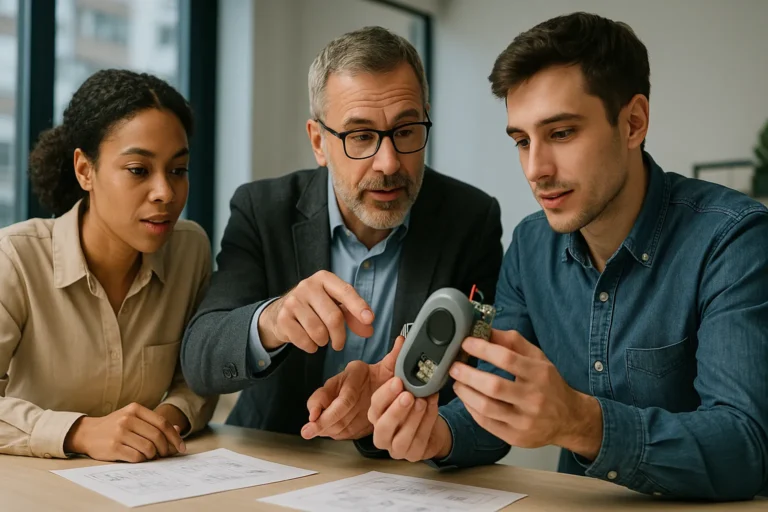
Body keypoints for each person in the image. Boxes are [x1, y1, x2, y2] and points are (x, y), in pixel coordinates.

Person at [363, 12, 768, 501]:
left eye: (561, 133)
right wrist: (437, 434)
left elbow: (745, 448)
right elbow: (496, 405)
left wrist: (579, 421)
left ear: (633, 122)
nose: (536, 169)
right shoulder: (531, 246)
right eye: (521, 141)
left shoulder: (734, 239)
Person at [180, 26, 503, 454]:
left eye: (406, 131)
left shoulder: (470, 220)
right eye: (361, 137)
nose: (388, 163)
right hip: (272, 459)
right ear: (319, 141)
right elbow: (202, 358)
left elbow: (487, 396)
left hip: (403, 476)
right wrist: (273, 320)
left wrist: (410, 416)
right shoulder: (263, 209)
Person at [0, 69, 217, 462]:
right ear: (85, 170)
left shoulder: (190, 250)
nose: (165, 193)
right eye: (138, 170)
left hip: (145, 485)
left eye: (178, 170)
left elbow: (200, 376)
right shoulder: (15, 258)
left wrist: (164, 422)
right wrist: (81, 432)